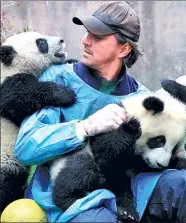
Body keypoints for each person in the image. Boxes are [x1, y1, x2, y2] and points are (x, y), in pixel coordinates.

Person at [14, 1, 186, 222]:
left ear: (124, 49)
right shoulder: (58, 79)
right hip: (70, 194)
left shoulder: (141, 99)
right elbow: (25, 148)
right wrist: (84, 127)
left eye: (97, 36)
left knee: (180, 184)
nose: (85, 41)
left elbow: (151, 155)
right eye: (87, 33)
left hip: (127, 188)